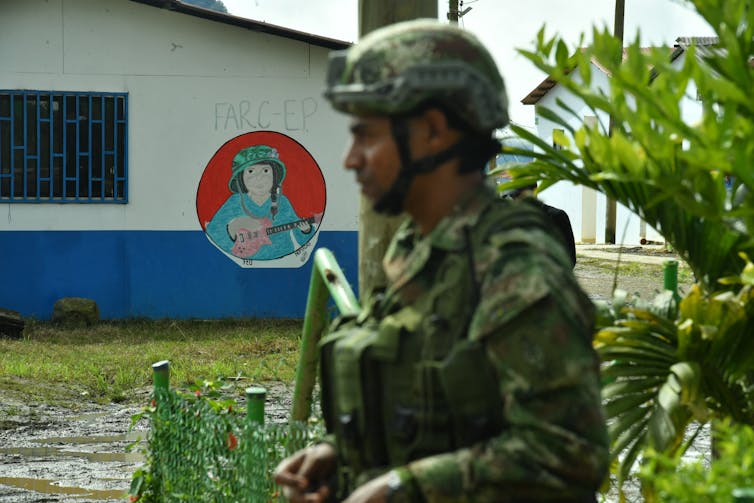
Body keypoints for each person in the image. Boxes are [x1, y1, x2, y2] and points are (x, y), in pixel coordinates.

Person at [274, 19, 608, 503]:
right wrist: (342, 455)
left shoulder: (512, 267)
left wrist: (399, 488)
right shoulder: (417, 249)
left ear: (431, 132)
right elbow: (433, 402)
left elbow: (569, 452)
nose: (350, 159)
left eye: (366, 136)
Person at [205, 144, 315, 260]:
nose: (259, 178)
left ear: (274, 175)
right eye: (251, 171)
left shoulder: (282, 202)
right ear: (241, 178)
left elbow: (303, 240)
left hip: (282, 260)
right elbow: (213, 234)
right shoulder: (234, 202)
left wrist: (306, 231)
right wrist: (232, 229)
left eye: (266, 170)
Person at [499, 178, 577, 268]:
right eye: (513, 197)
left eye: (519, 196)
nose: (516, 201)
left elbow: (570, 258)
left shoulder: (557, 216)